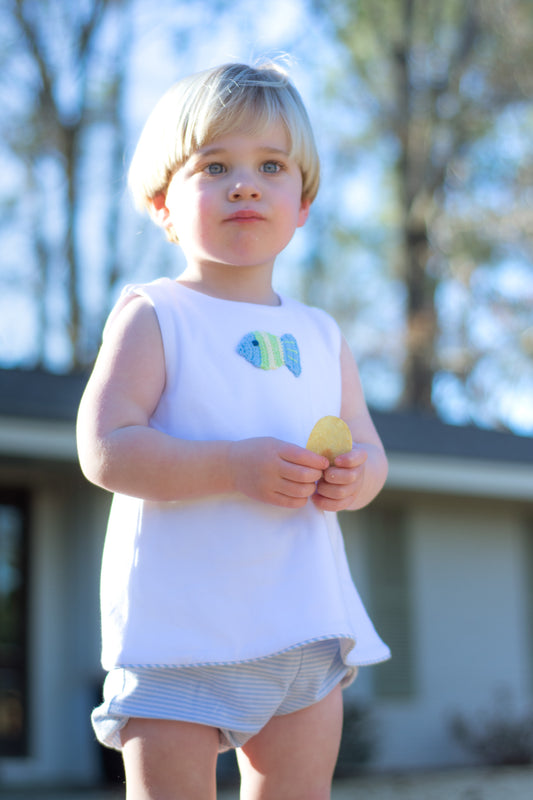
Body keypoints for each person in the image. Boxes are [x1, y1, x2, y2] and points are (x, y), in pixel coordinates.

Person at [77, 60, 390, 800]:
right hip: (178, 632)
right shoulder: (156, 313)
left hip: (303, 626)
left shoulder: (320, 333)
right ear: (161, 203)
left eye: (270, 166)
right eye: (214, 166)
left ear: (301, 203)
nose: (244, 183)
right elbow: (105, 448)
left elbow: (369, 448)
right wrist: (230, 467)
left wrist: (357, 476)